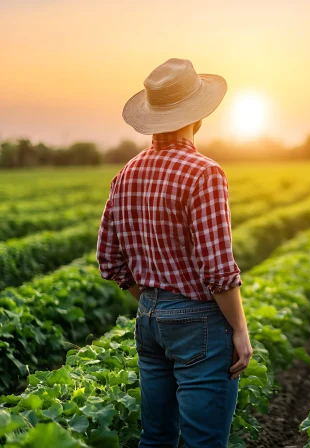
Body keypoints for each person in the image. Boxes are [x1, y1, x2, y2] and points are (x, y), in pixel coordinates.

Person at [97, 58, 253, 448]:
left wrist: (154, 301)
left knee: (156, 437)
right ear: (198, 116)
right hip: (198, 322)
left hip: (149, 318)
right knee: (203, 441)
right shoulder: (204, 172)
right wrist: (239, 329)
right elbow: (218, 269)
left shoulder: (127, 173)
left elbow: (109, 260)